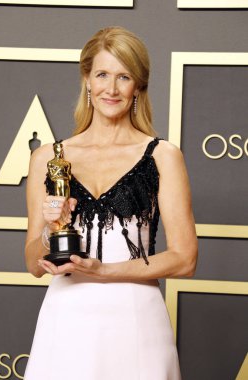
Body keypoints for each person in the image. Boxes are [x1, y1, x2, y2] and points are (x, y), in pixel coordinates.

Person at [24, 26, 198, 380]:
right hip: (66, 319)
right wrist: (49, 231)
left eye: (124, 76)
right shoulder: (48, 157)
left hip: (137, 319)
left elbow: (185, 259)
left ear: (138, 86)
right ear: (87, 79)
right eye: (102, 74)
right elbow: (32, 263)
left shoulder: (162, 156)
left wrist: (104, 271)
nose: (112, 88)